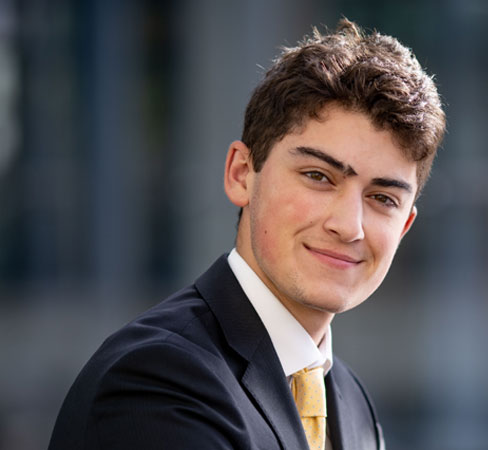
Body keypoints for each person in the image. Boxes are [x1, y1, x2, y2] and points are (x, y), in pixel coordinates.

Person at [48, 19, 445, 450]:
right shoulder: (157, 381)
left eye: (383, 198)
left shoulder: (350, 403)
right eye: (318, 176)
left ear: (405, 225)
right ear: (241, 174)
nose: (349, 226)